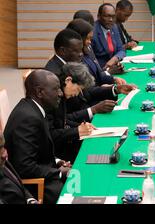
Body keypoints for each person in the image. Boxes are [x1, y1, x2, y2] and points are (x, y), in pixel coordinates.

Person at [4, 70, 71, 204]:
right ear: (40, 92)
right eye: (56, 89)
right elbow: (25, 167)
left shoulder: (33, 109)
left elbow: (37, 148)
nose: (60, 93)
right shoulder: (28, 118)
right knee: (77, 187)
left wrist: (57, 161)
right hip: (34, 186)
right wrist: (58, 173)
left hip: (43, 171)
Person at [45, 29, 134, 124]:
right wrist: (92, 110)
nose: (81, 54)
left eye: (81, 50)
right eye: (77, 51)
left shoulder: (71, 64)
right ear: (63, 51)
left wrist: (116, 89)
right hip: (76, 126)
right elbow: (61, 119)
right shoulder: (53, 76)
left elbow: (86, 91)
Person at [47, 62, 96, 162]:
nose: (77, 94)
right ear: (68, 80)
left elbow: (62, 120)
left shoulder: (62, 93)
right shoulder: (52, 99)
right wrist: (77, 130)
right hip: (54, 151)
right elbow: (50, 134)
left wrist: (82, 126)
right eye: (78, 89)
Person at [67, 19, 126, 86]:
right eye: (87, 38)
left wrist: (113, 79)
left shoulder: (88, 49)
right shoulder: (74, 58)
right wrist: (105, 89)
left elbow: (98, 74)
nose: (90, 42)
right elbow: (87, 87)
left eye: (90, 39)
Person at [0, 131, 38, 204]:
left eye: (3, 146)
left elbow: (19, 185)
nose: (4, 155)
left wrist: (30, 200)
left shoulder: (3, 163)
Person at [91, 3, 126, 69]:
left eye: (113, 16)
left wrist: (115, 58)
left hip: (114, 67)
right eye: (107, 16)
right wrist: (106, 69)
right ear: (99, 16)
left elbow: (121, 49)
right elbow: (91, 60)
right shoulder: (92, 31)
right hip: (100, 70)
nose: (111, 20)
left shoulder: (114, 27)